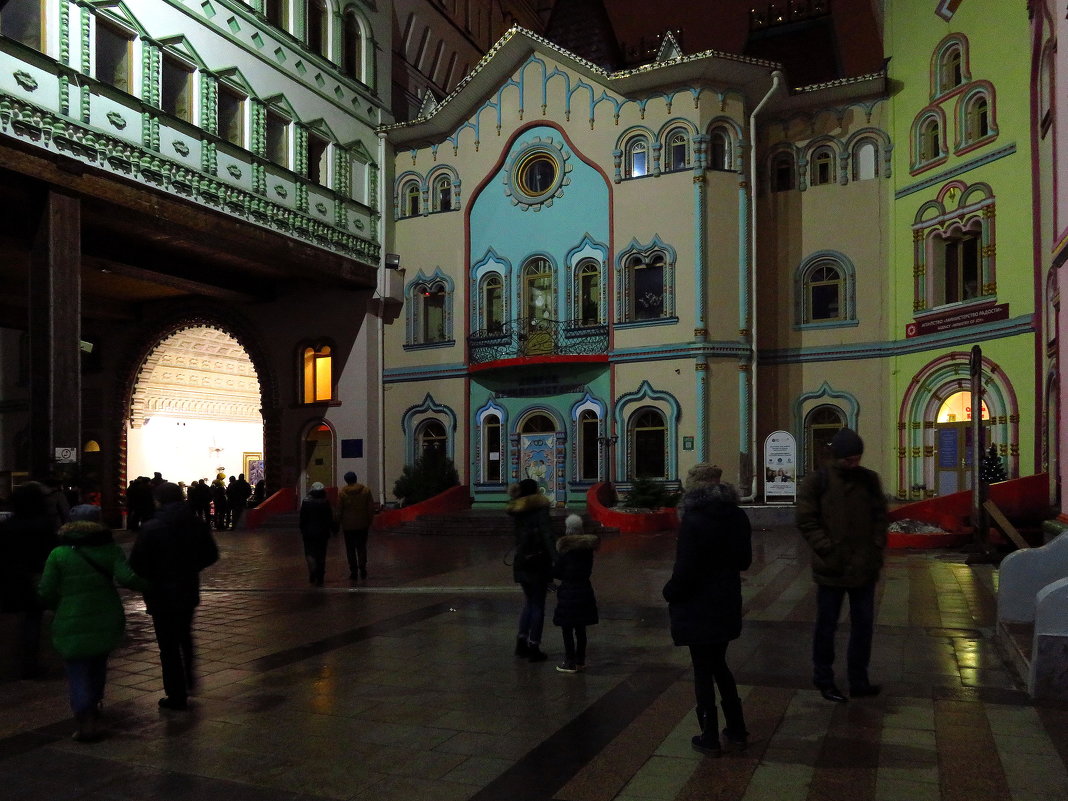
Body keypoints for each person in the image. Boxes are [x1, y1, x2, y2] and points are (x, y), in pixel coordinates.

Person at [37, 504, 148, 742]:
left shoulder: (58, 554)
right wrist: (154, 585)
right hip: (106, 615)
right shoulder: (110, 550)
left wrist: (59, 606)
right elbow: (128, 578)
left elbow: (46, 591)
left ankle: (85, 718)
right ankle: (95, 707)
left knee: (77, 669)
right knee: (98, 664)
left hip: (70, 618)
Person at [663, 463, 752, 757]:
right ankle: (737, 728)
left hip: (698, 605)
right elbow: (744, 561)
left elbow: (685, 569)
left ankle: (709, 734)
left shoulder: (694, 519)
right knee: (719, 665)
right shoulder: (738, 515)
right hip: (726, 601)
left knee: (703, 669)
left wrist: (670, 592)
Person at [796, 427, 888, 703]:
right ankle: (824, 678)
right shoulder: (817, 481)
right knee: (827, 626)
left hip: (863, 567)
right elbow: (806, 519)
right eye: (849, 459)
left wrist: (876, 545)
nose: (854, 464)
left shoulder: (869, 480)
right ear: (835, 457)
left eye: (858, 458)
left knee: (863, 626)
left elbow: (880, 515)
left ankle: (858, 680)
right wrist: (827, 548)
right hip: (832, 569)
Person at [129, 482, 219, 711]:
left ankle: (176, 694)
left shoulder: (151, 527)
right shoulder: (195, 523)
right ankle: (188, 677)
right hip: (187, 588)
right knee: (185, 635)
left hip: (160, 593)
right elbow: (211, 554)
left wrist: (154, 574)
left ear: (158, 500)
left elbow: (137, 563)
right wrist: (191, 567)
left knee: (168, 646)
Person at [0, 482, 59, 678]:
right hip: (35, 576)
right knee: (33, 619)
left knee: (16, 619)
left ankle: (14, 661)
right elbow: (51, 551)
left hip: (11, 577)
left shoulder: (8, 525)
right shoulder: (44, 524)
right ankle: (30, 663)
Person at [507, 478, 555, 662]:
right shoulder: (540, 510)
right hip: (538, 561)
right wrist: (557, 559)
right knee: (538, 605)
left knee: (529, 602)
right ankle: (534, 646)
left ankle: (521, 641)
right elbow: (547, 535)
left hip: (521, 561)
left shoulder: (517, 511)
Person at [552, 514, 599, 674]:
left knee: (567, 628)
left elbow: (558, 572)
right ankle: (580, 661)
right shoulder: (588, 550)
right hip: (584, 590)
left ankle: (569, 662)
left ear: (568, 530)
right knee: (581, 628)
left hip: (568, 592)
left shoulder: (565, 550)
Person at [336, 471, 374, 580]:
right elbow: (370, 508)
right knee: (361, 547)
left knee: (350, 548)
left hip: (348, 526)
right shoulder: (366, 491)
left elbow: (339, 510)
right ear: (356, 478)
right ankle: (362, 567)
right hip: (362, 524)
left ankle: (353, 570)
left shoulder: (342, 493)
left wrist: (337, 523)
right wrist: (370, 520)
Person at [299, 482, 335, 586]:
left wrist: (302, 528)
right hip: (323, 533)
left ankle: (312, 570)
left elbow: (303, 518)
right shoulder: (325, 502)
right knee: (321, 554)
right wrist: (332, 529)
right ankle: (320, 575)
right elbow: (329, 517)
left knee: (309, 552)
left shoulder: (306, 502)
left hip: (308, 532)